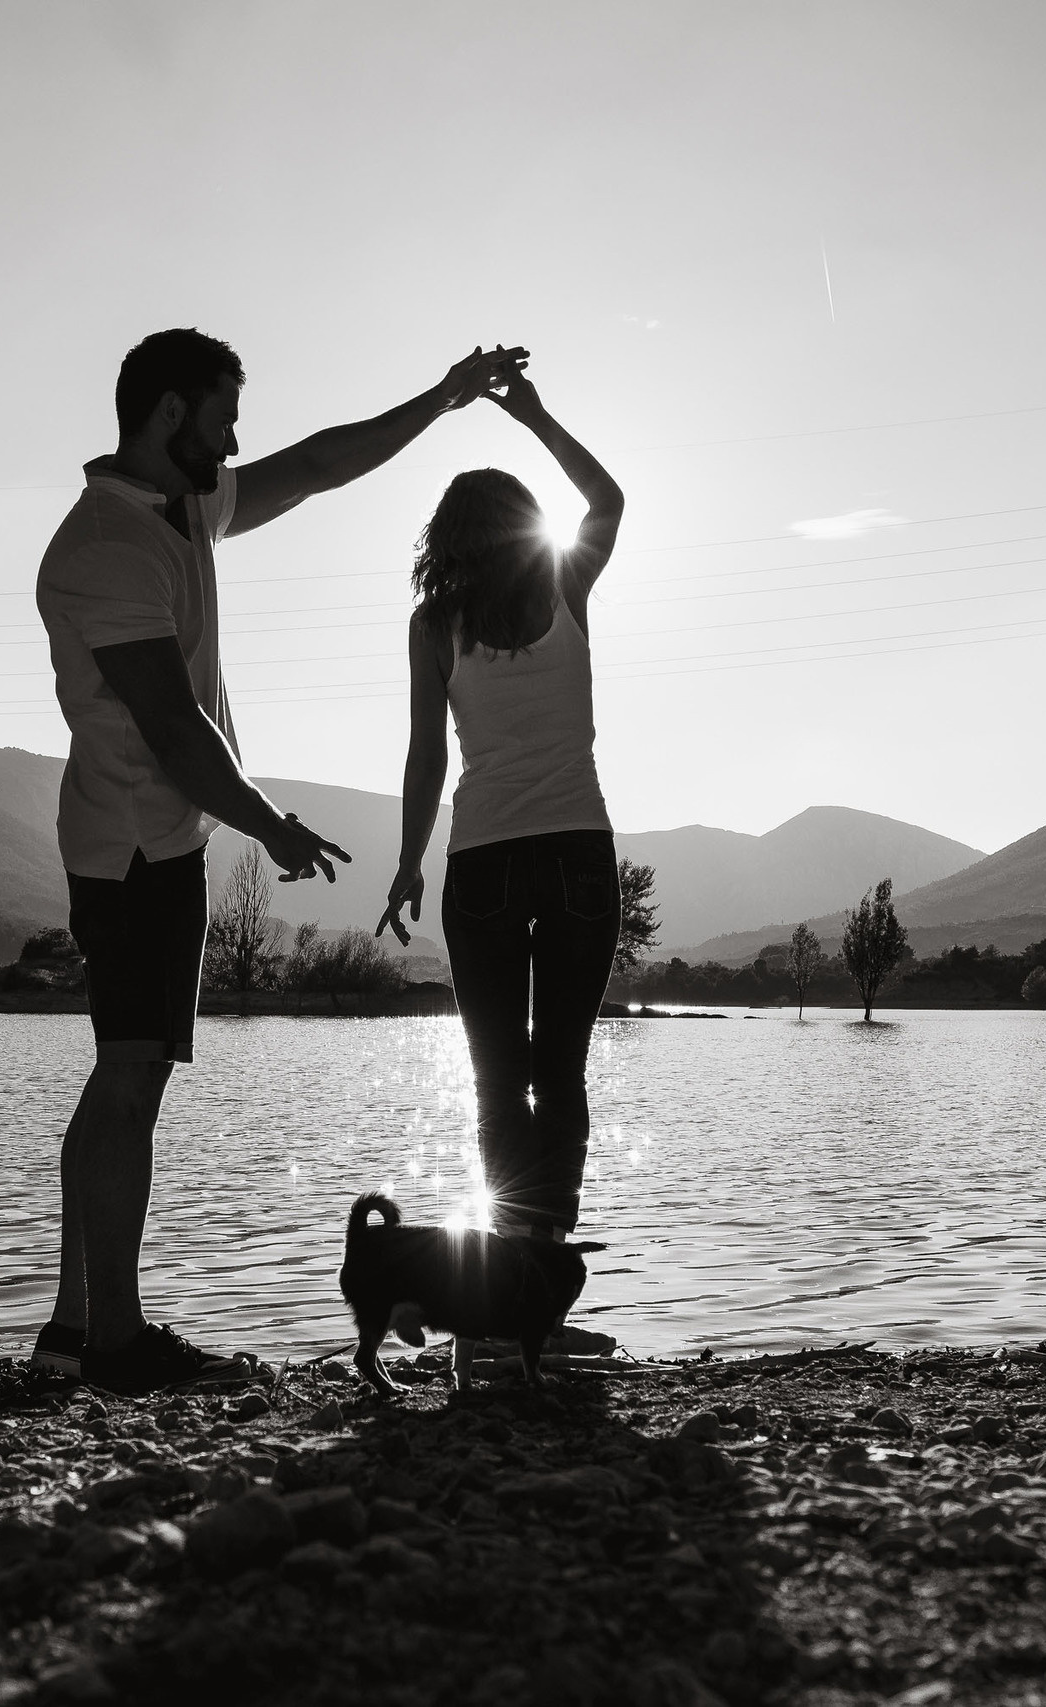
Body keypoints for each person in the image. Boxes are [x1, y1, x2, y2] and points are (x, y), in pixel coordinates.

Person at [35, 327, 523, 1396]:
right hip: (133, 846)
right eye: (220, 416)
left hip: (151, 840)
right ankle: (113, 1340)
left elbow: (312, 466)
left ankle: (75, 1324)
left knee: (120, 1080)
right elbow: (171, 726)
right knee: (129, 1083)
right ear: (169, 415)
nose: (235, 437)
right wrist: (270, 825)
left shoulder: (181, 510)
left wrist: (439, 397)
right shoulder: (104, 548)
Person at [376, 358, 625, 1269]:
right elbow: (609, 498)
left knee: (497, 1079)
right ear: (523, 526)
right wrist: (537, 417)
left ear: (446, 540)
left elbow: (426, 754)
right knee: (559, 1070)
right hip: (577, 855)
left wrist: (409, 863)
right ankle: (543, 1250)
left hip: (481, 859)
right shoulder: (567, 586)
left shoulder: (432, 622)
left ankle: (516, 1253)